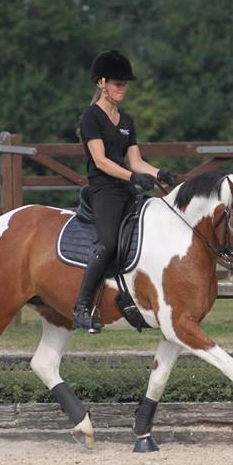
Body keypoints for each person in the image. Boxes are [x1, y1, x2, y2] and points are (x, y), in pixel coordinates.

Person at [73, 50, 177, 332]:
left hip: (126, 188)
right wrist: (133, 177)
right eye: (118, 83)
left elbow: (136, 161)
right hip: (104, 190)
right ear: (101, 83)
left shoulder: (127, 121)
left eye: (125, 84)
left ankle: (134, 297)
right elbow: (101, 161)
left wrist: (159, 173)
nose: (123, 88)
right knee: (108, 243)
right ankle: (81, 307)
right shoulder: (91, 117)